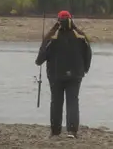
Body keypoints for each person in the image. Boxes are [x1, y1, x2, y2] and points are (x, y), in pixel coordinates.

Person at [35, 10, 93, 139]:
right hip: (76, 75)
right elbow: (88, 54)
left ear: (58, 21)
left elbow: (40, 59)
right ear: (71, 20)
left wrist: (39, 58)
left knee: (56, 102)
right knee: (73, 101)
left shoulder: (52, 36)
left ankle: (55, 132)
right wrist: (85, 69)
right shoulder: (80, 35)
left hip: (55, 75)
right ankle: (72, 131)